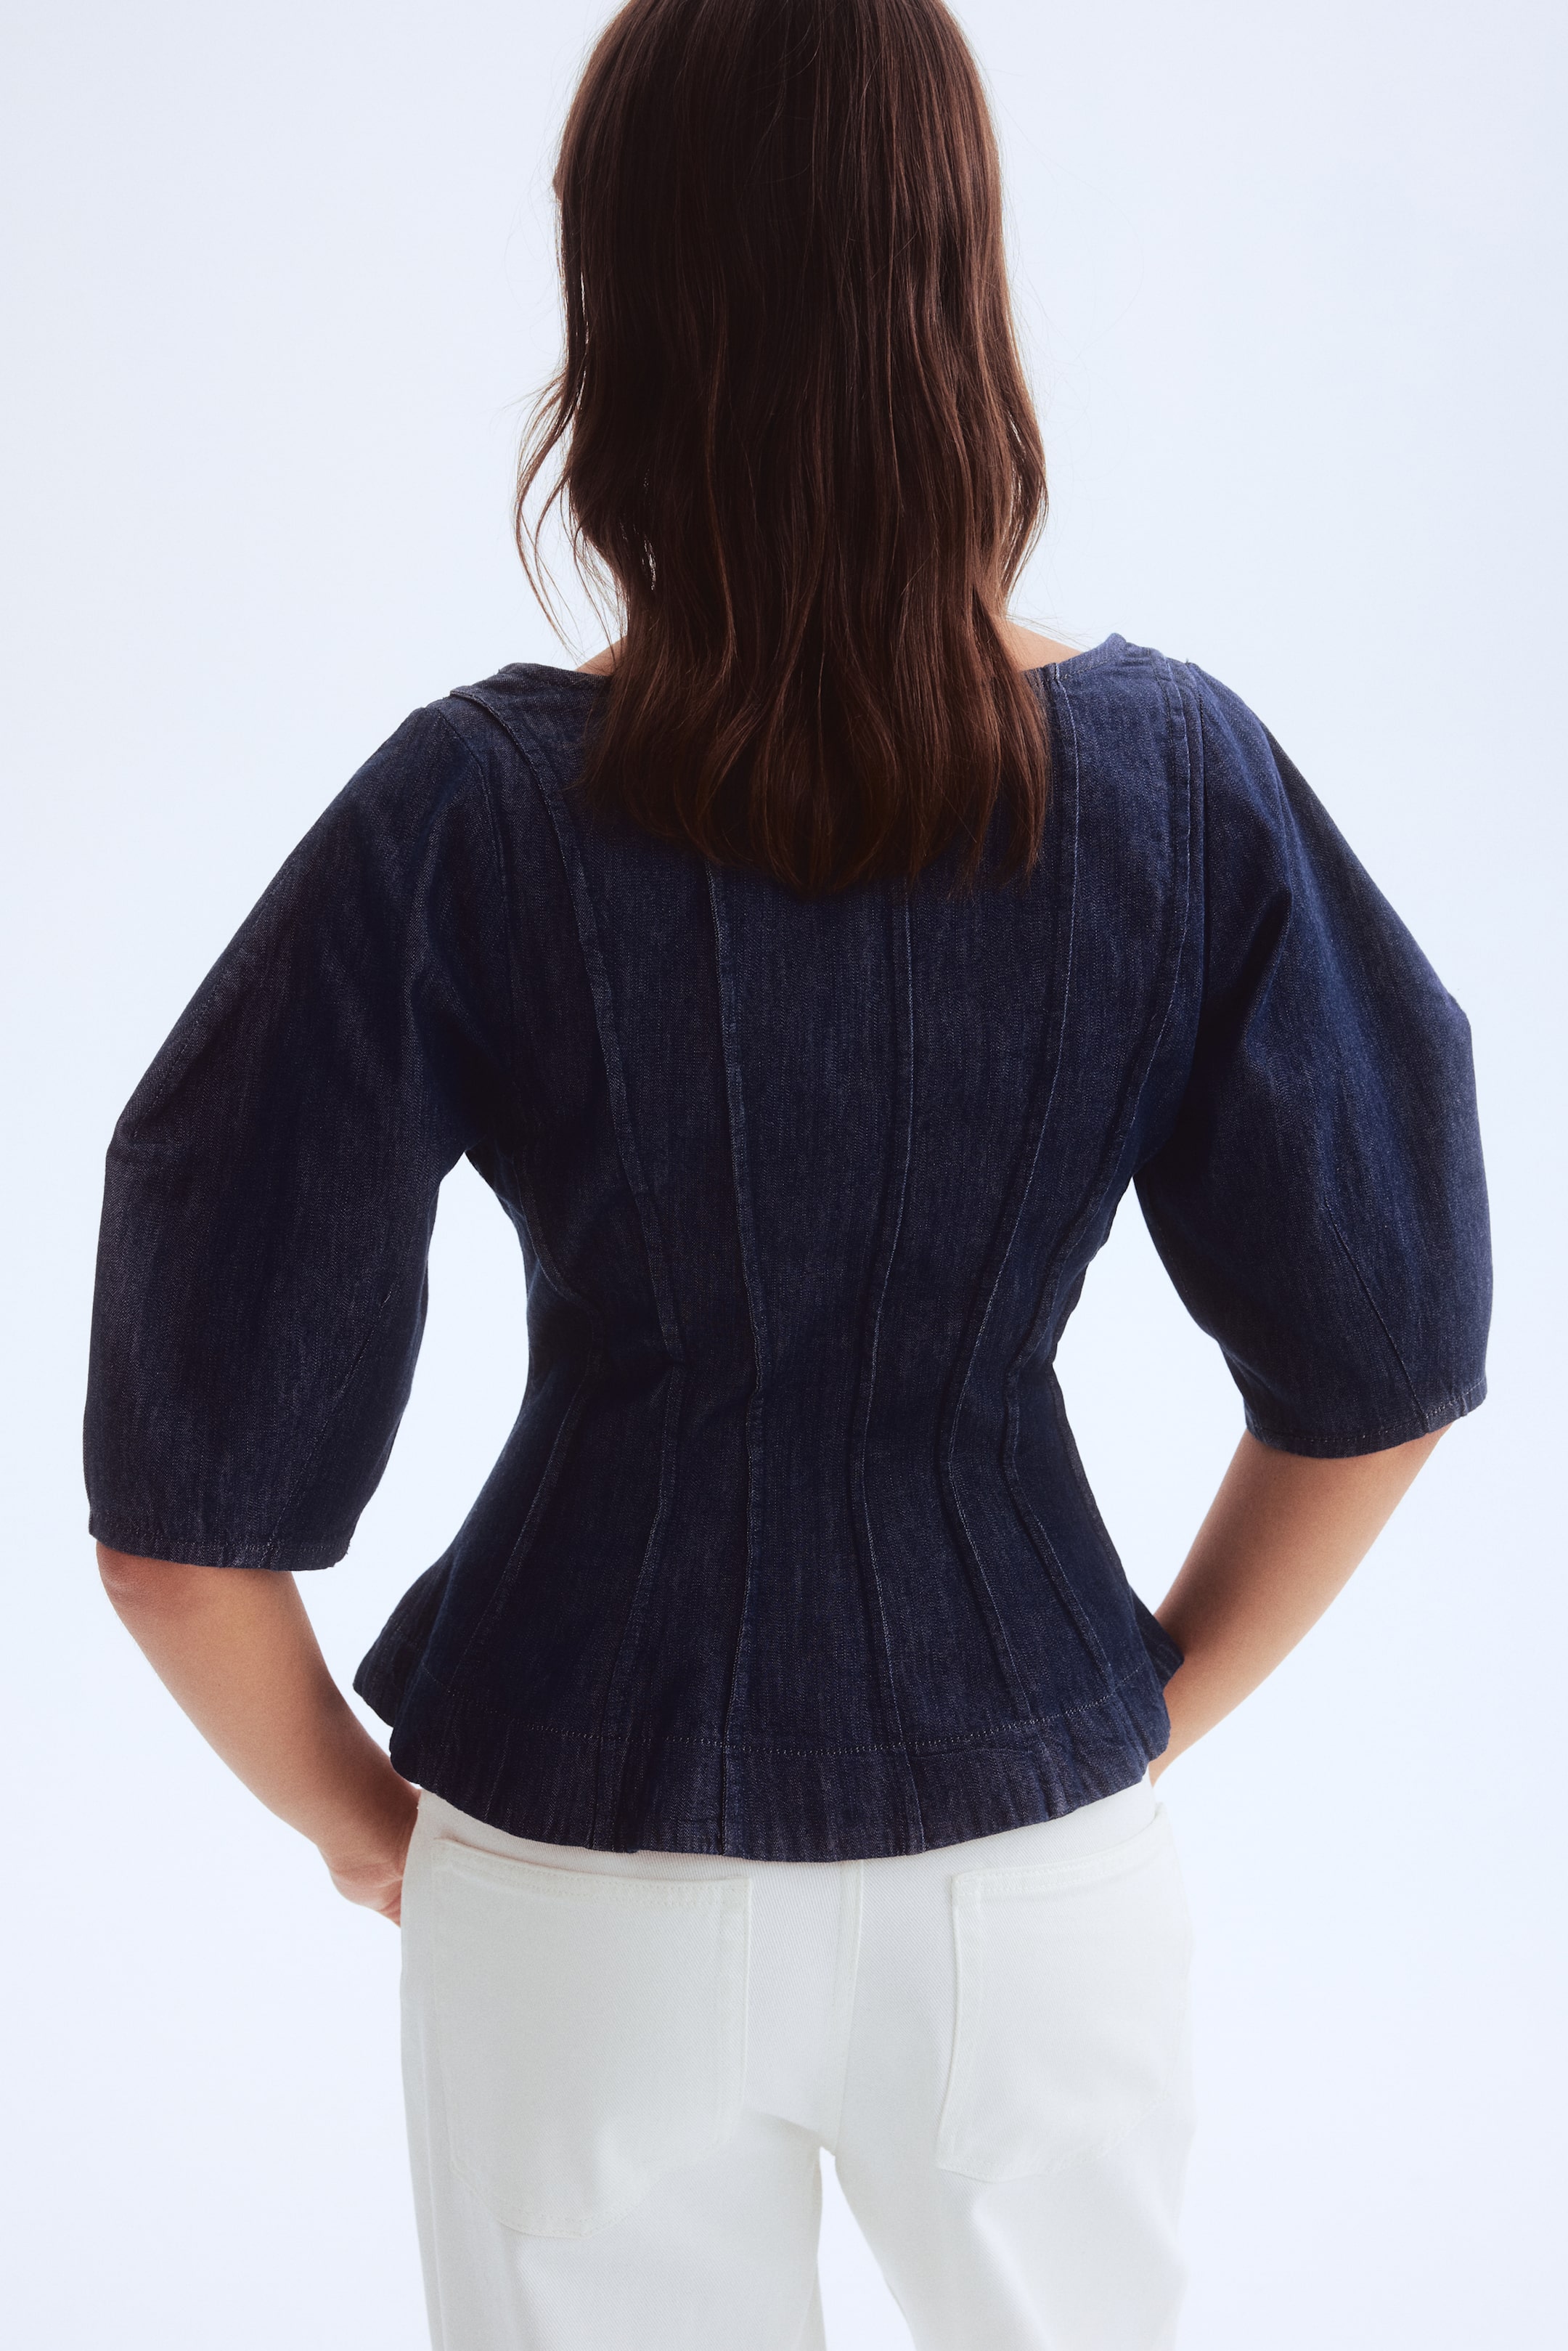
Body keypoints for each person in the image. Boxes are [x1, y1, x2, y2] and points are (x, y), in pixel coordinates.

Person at [83, 2, 1492, 2346]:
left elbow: (175, 1539)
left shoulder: (466, 819)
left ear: (618, 314)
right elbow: (1389, 1358)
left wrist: (372, 1830)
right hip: (1035, 1872)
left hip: (575, 1859)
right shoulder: (1182, 786)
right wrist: (1120, 1724)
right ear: (963, 287)